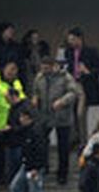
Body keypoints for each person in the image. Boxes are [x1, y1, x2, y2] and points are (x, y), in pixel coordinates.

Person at [30, 57, 80, 185]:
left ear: (53, 66)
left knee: (63, 147)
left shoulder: (65, 77)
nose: (44, 71)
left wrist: (62, 101)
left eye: (46, 68)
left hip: (62, 116)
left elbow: (74, 93)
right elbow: (35, 90)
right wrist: (35, 97)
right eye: (42, 68)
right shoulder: (39, 77)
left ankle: (62, 174)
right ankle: (43, 167)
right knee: (41, 142)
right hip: (45, 116)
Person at [59, 27, 99, 147]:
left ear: (79, 38)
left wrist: (87, 71)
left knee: (80, 114)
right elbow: (65, 65)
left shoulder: (91, 51)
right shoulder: (68, 52)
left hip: (84, 85)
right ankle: (74, 138)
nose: (70, 42)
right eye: (69, 40)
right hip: (71, 83)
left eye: (72, 39)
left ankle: (83, 141)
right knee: (69, 113)